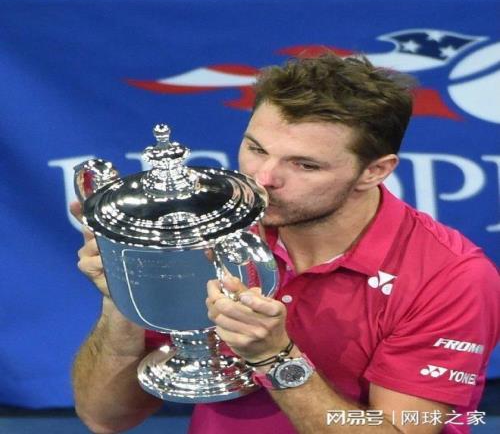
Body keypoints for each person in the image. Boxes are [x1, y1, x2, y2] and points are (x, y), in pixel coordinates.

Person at [71, 53, 499, 434]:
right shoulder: (211, 226)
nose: (263, 178)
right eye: (256, 148)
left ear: (375, 171)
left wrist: (275, 358)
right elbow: (105, 418)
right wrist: (123, 295)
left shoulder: (449, 278)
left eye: (304, 165)